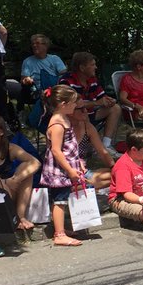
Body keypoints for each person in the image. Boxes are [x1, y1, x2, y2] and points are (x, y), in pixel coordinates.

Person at [39, 84, 87, 248]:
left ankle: (61, 229)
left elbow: (70, 146)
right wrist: (69, 170)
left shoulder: (64, 119)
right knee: (60, 200)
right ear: (62, 104)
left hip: (67, 165)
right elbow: (56, 151)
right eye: (73, 103)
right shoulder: (58, 124)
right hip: (60, 169)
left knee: (63, 198)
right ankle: (59, 234)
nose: (76, 106)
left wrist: (78, 162)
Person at [0, 115, 41, 232]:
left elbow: (35, 163)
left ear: (1, 131)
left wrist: (16, 179)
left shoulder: (10, 148)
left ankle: (20, 217)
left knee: (26, 169)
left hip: (9, 190)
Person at [61, 51, 121, 153]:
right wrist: (97, 103)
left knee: (115, 108)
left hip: (90, 114)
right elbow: (71, 105)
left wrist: (109, 100)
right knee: (82, 112)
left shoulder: (92, 80)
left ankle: (106, 145)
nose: (96, 67)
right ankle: (85, 147)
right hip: (73, 117)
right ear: (82, 68)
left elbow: (102, 96)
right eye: (92, 65)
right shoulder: (66, 81)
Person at [20, 34, 66, 98]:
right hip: (37, 90)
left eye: (38, 43)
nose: (34, 45)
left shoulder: (54, 59)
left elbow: (64, 73)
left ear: (46, 46)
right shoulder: (28, 61)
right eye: (33, 44)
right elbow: (23, 79)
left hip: (55, 89)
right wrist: (27, 80)